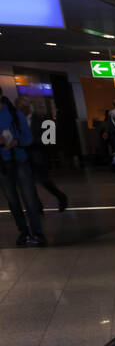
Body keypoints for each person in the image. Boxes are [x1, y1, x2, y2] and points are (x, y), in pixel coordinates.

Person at [0, 93, 46, 246]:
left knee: (29, 199)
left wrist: (16, 141)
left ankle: (37, 233)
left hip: (20, 160)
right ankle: (24, 232)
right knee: (13, 201)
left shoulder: (14, 113)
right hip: (3, 164)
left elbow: (29, 138)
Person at [16, 96, 68, 212]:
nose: (20, 111)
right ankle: (37, 206)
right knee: (29, 182)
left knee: (44, 180)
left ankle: (60, 196)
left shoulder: (42, 118)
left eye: (22, 108)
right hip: (25, 156)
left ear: (28, 107)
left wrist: (31, 141)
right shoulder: (18, 122)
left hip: (39, 154)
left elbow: (50, 139)